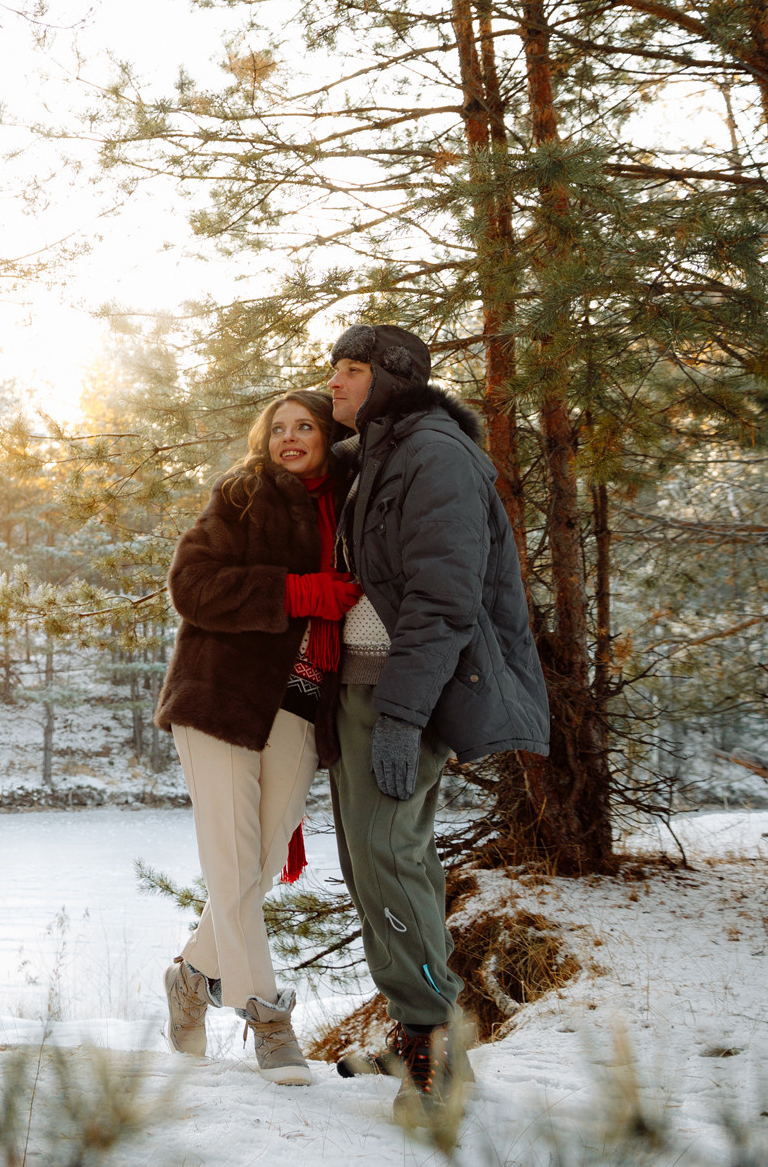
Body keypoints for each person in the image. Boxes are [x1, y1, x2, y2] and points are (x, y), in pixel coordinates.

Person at [321, 324, 550, 1124]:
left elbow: (445, 597)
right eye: (334, 370)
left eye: (349, 371)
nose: (334, 385)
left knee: (389, 856)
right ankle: (420, 1029)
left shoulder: (437, 455)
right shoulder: (384, 452)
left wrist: (400, 714)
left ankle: (436, 1056)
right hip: (361, 688)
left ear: (391, 378)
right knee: (376, 865)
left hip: (397, 694)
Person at [154, 390, 360, 1084]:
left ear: (329, 437)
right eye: (279, 428)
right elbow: (190, 583)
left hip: (303, 706)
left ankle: (190, 977)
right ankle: (268, 1020)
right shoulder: (242, 493)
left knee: (259, 863)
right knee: (235, 864)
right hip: (220, 700)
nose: (291, 437)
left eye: (306, 426)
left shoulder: (352, 503)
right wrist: (297, 593)